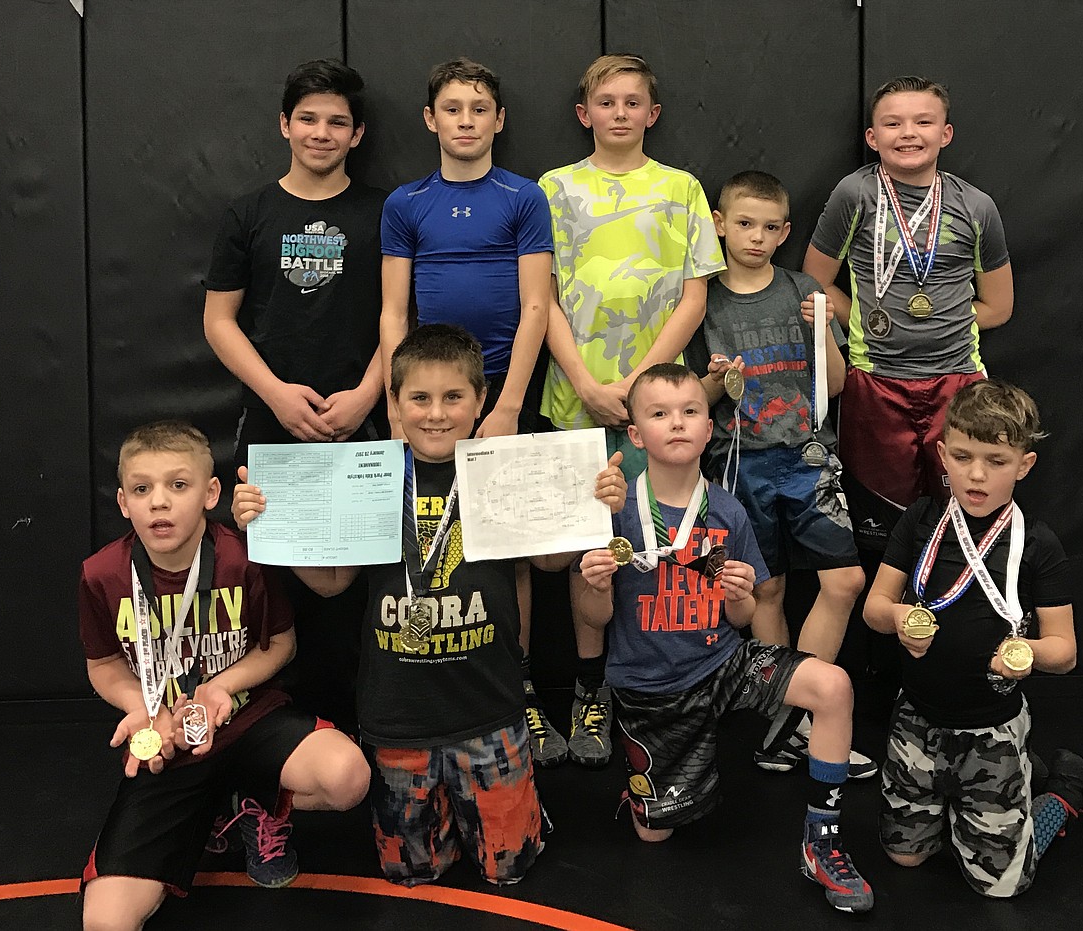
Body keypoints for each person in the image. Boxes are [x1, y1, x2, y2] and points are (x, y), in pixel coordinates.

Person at [232, 324, 627, 887]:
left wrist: (593, 507)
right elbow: (331, 584)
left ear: (480, 400)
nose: (436, 414)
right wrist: (277, 529)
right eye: (419, 398)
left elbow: (548, 565)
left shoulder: (502, 470)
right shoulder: (372, 475)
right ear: (393, 402)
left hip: (489, 709)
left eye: (453, 397)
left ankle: (522, 806)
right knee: (412, 873)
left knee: (510, 868)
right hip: (398, 718)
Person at [577, 364, 874, 914]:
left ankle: (823, 839)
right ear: (636, 435)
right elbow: (594, 619)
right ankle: (648, 788)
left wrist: (740, 595)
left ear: (709, 429)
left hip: (723, 663)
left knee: (832, 687)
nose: (678, 423)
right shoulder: (614, 514)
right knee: (654, 838)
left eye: (691, 411)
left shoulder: (729, 511)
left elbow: (740, 618)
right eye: (660, 414)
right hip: (650, 689)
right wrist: (596, 582)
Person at [79, 421, 369, 930]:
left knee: (348, 776)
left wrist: (222, 686)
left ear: (212, 492)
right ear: (123, 502)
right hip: (167, 739)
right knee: (106, 923)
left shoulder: (242, 556)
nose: (160, 503)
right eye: (143, 489)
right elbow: (102, 665)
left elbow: (281, 644)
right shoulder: (102, 573)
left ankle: (255, 802)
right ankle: (204, 810)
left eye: (178, 485)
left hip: (248, 718)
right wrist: (140, 707)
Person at [863, 379, 1083, 896]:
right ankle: (1017, 779)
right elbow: (873, 608)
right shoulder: (919, 522)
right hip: (918, 719)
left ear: (1024, 465)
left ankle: (1064, 788)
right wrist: (899, 621)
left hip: (991, 727)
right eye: (963, 456)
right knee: (904, 857)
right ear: (942, 455)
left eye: (996, 461)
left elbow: (1064, 652)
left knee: (1000, 886)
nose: (976, 474)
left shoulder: (1038, 544)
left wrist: (1026, 655)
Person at [541, 54, 725, 766]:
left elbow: (694, 296)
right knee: (585, 552)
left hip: (656, 407)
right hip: (575, 397)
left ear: (652, 113)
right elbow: (543, 296)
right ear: (585, 113)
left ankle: (656, 686)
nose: (619, 113)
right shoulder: (554, 188)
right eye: (605, 102)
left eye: (633, 102)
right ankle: (589, 688)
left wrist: (646, 385)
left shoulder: (681, 189)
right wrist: (586, 380)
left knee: (654, 549)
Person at [378, 57, 561, 762]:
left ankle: (518, 690)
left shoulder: (522, 197)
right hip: (430, 401)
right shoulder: (406, 203)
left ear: (499, 121)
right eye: (451, 108)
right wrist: (400, 407)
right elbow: (395, 310)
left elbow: (537, 304)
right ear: (430, 119)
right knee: (434, 543)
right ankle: (440, 684)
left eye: (478, 108)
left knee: (507, 547)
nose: (464, 120)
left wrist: (509, 401)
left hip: (499, 395)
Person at [203, 58, 388, 732]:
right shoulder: (249, 212)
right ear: (284, 124)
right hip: (276, 425)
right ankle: (279, 735)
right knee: (276, 581)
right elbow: (218, 321)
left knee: (359, 583)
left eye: (337, 121)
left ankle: (361, 733)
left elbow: (403, 316)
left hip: (363, 423)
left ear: (357, 134)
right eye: (307, 118)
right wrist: (277, 393)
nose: (321, 131)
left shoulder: (383, 213)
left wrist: (369, 393)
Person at [685, 171, 873, 778]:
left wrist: (822, 335)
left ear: (786, 232)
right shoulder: (702, 298)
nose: (756, 237)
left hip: (808, 458)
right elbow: (692, 400)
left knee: (843, 581)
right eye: (744, 223)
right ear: (719, 223)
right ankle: (784, 722)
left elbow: (839, 385)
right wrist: (716, 379)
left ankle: (792, 723)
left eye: (770, 227)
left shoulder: (803, 289)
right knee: (766, 590)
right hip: (738, 462)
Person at [803, 76, 1013, 551]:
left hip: (958, 381)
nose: (908, 133)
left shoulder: (975, 206)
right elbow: (814, 281)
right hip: (876, 381)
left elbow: (999, 307)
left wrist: (942, 319)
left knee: (967, 516)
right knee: (882, 527)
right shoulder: (853, 195)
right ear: (872, 138)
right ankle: (891, 616)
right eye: (892, 123)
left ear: (946, 133)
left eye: (923, 121)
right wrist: (866, 318)